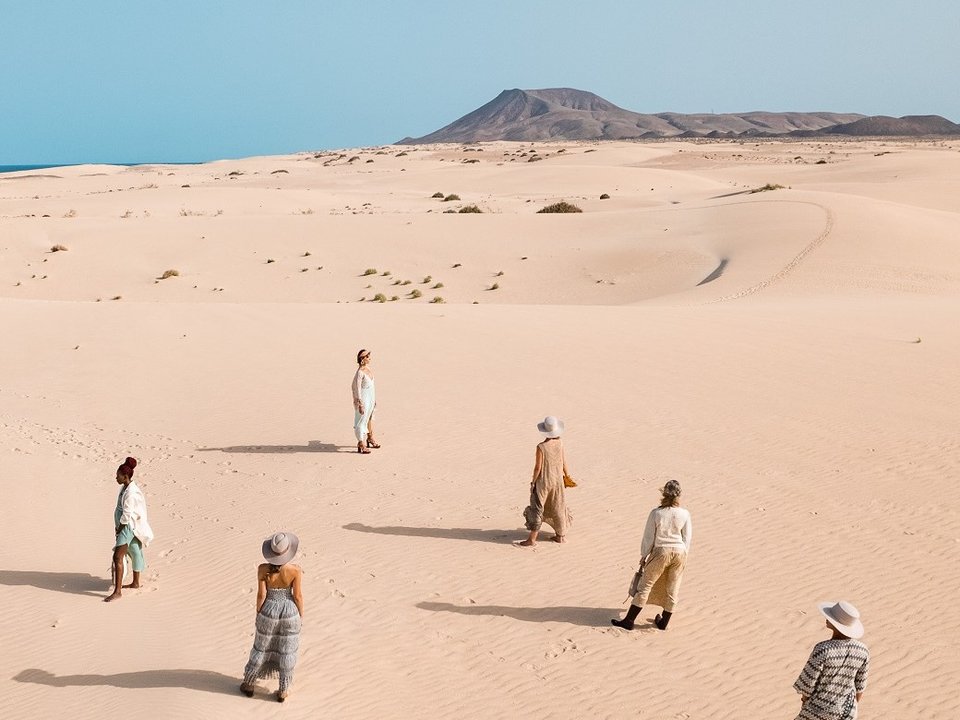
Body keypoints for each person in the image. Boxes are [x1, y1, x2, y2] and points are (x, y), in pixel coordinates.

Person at [611, 479, 691, 630]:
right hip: (680, 552)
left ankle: (629, 621)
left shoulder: (656, 513)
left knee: (645, 585)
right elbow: (687, 538)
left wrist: (644, 555)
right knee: (673, 588)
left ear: (664, 494)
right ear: (679, 495)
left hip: (661, 551)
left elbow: (649, 537)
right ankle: (664, 623)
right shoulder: (685, 514)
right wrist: (683, 554)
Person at [240, 531, 305, 702]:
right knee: (287, 650)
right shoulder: (295, 570)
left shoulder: (263, 569)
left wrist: (259, 613)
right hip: (289, 611)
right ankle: (283, 690)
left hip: (269, 609)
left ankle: (249, 684)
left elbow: (261, 595)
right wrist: (300, 615)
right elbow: (297, 595)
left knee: (261, 646)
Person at [793, 601, 869, 720]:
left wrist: (804, 703)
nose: (826, 618)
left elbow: (808, 684)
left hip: (818, 709)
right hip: (847, 710)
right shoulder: (863, 650)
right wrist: (851, 709)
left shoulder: (823, 649)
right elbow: (860, 687)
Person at [105, 457, 154, 602]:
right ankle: (136, 583)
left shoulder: (131, 493)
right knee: (134, 550)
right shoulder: (125, 487)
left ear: (125, 476)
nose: (116, 477)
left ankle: (117, 591)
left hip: (127, 527)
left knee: (117, 557)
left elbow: (126, 515)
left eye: (118, 475)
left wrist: (119, 529)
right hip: (129, 526)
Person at [519, 416, 572, 546]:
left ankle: (532, 539)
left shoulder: (541, 447)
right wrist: (567, 475)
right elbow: (563, 461)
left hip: (544, 481)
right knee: (558, 505)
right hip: (558, 480)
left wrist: (533, 482)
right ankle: (560, 536)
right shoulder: (560, 443)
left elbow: (538, 468)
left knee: (537, 507)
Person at [352, 348, 380, 454]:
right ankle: (360, 443)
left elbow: (371, 386)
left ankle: (369, 438)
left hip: (371, 398)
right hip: (363, 399)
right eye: (367, 356)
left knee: (369, 418)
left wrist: (374, 399)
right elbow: (357, 388)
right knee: (361, 420)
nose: (369, 358)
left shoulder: (368, 368)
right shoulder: (360, 373)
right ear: (362, 359)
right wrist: (360, 403)